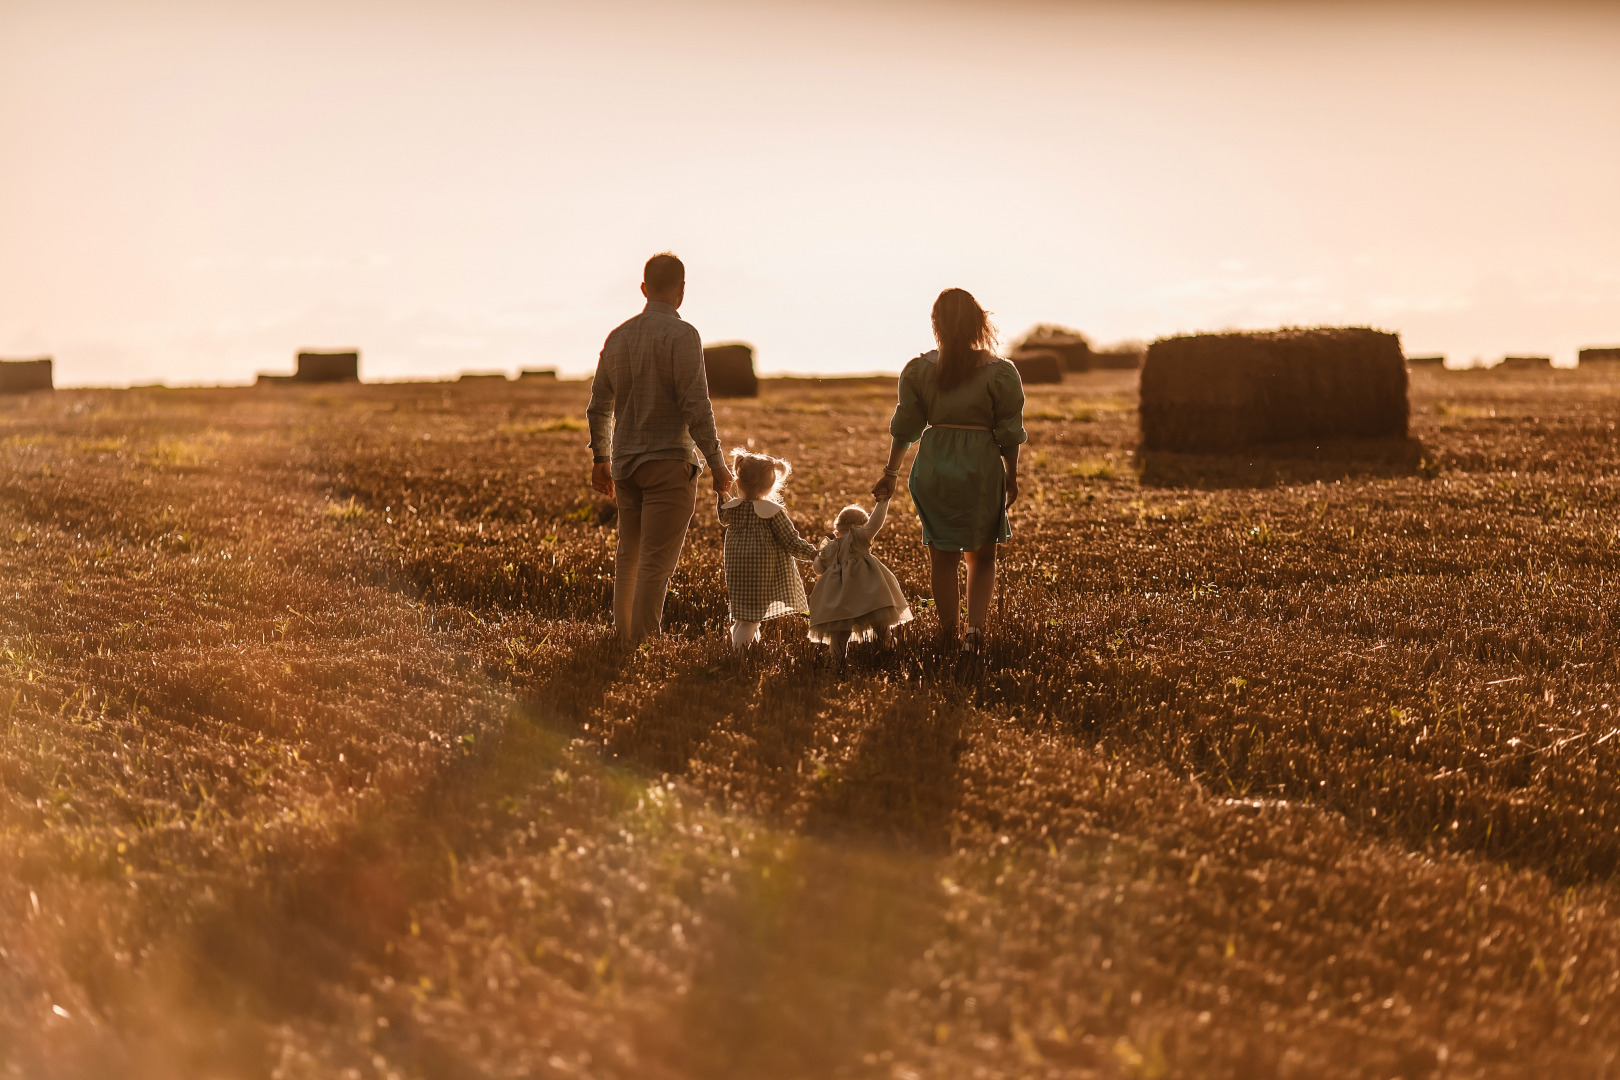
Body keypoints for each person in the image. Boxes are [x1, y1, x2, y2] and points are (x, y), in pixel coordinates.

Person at [587, 252, 734, 644]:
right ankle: (643, 641)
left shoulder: (617, 337)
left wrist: (601, 457)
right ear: (682, 290)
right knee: (655, 562)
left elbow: (598, 404)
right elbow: (696, 406)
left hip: (625, 465)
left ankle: (623, 636)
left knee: (629, 556)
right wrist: (717, 463)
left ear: (643, 288)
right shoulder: (683, 335)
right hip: (669, 462)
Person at [871, 288, 1026, 653]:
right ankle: (974, 632)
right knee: (982, 555)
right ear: (978, 323)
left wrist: (891, 473)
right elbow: (1009, 431)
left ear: (936, 324)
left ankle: (947, 633)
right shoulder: (1001, 372)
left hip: (934, 466)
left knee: (942, 556)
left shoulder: (918, 369)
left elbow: (905, 427)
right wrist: (1012, 475)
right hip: (981, 466)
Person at [718, 450, 819, 651]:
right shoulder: (772, 512)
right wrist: (813, 553)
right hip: (760, 572)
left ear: (738, 482)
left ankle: (748, 650)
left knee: (744, 615)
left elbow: (722, 517)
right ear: (772, 484)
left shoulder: (733, 508)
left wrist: (721, 494)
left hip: (736, 568)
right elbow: (791, 541)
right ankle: (737, 656)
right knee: (751, 618)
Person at [807, 497, 913, 669]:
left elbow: (819, 568)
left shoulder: (829, 547)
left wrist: (817, 558)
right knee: (880, 621)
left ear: (836, 532)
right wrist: (883, 502)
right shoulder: (859, 538)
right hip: (867, 595)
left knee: (840, 631)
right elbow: (876, 522)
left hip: (840, 599)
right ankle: (888, 645)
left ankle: (837, 661)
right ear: (862, 528)